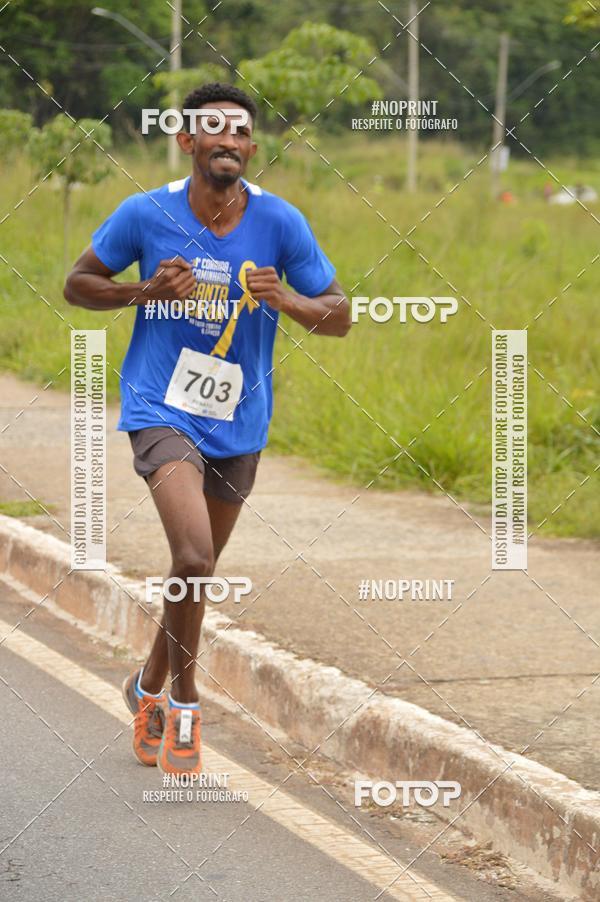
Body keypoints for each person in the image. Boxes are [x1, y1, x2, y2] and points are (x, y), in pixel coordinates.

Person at [63, 82, 350, 775]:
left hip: (240, 421)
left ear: (251, 148)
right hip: (160, 408)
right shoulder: (145, 213)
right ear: (187, 141)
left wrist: (290, 298)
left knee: (195, 572)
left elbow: (340, 314)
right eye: (212, 129)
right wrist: (143, 291)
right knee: (193, 557)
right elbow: (78, 283)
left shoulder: (281, 224)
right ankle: (185, 706)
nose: (228, 139)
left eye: (240, 132)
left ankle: (144, 685)